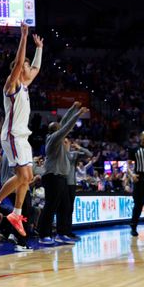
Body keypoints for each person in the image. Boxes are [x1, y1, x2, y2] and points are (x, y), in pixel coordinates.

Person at [0, 23, 43, 237]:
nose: (29, 69)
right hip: (12, 135)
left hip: (23, 137)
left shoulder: (25, 85)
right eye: (25, 66)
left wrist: (39, 48)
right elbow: (21, 62)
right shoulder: (11, 85)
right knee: (22, 176)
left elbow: (36, 69)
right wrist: (23, 37)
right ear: (19, 69)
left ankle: (16, 212)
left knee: (28, 178)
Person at [38, 103, 88, 244]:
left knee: (64, 206)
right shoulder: (53, 139)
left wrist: (72, 108)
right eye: (59, 128)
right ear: (55, 131)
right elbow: (66, 126)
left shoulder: (56, 137)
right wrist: (77, 115)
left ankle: (62, 233)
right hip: (52, 176)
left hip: (61, 177)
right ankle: (43, 235)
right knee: (50, 206)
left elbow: (64, 123)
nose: (62, 129)